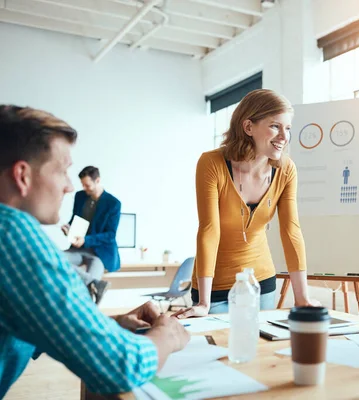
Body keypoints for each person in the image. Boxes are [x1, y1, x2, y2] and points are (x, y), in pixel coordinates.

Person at [0, 105, 189, 397]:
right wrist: (167, 335)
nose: (67, 186)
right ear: (22, 176)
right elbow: (120, 367)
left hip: (98, 252)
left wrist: (106, 324)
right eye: (62, 171)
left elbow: (42, 325)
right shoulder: (12, 235)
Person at [174, 89, 319, 318]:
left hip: (261, 283)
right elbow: (209, 230)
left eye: (288, 128)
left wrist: (302, 297)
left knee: (260, 351)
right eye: (275, 126)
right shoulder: (212, 164)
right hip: (215, 288)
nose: (284, 136)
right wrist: (203, 301)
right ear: (248, 127)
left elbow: (291, 231)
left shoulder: (286, 170)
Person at [62, 166, 120, 304]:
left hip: (99, 253)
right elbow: (75, 219)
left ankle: (87, 320)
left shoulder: (113, 203)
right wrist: (68, 229)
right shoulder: (80, 196)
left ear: (97, 180)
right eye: (82, 184)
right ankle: (95, 283)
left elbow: (110, 235)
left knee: (89, 293)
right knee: (54, 257)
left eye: (87, 185)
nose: (84, 188)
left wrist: (86, 240)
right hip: (78, 249)